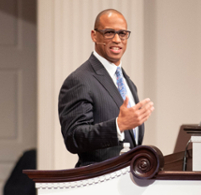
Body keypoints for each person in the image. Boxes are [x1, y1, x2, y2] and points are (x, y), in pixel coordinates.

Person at [58, 9, 154, 167]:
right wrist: (118, 125)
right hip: (97, 182)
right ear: (94, 36)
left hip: (128, 183)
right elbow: (73, 137)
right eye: (109, 33)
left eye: (122, 33)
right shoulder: (79, 80)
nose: (117, 39)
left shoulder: (128, 83)